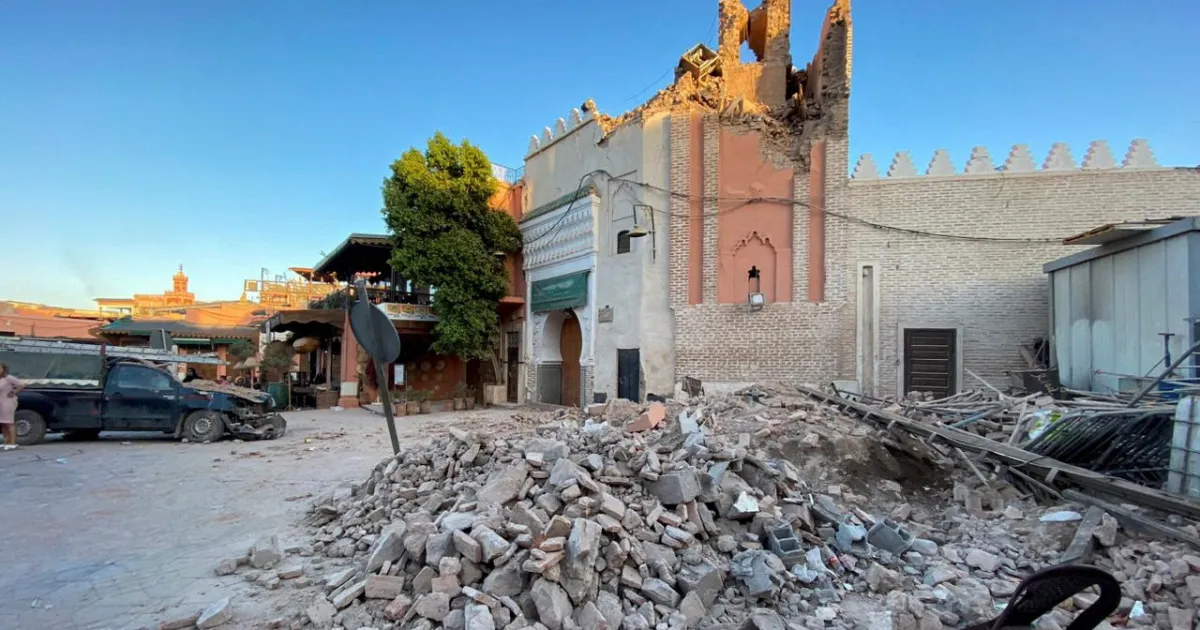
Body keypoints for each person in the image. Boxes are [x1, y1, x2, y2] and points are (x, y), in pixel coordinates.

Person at [0, 363, 26, 449]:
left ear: (4, 369)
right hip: (1, 402)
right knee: (3, 423)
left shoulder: (9, 378)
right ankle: (6, 442)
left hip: (8, 402)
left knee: (9, 422)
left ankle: (13, 443)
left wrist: (14, 392)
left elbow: (22, 385)